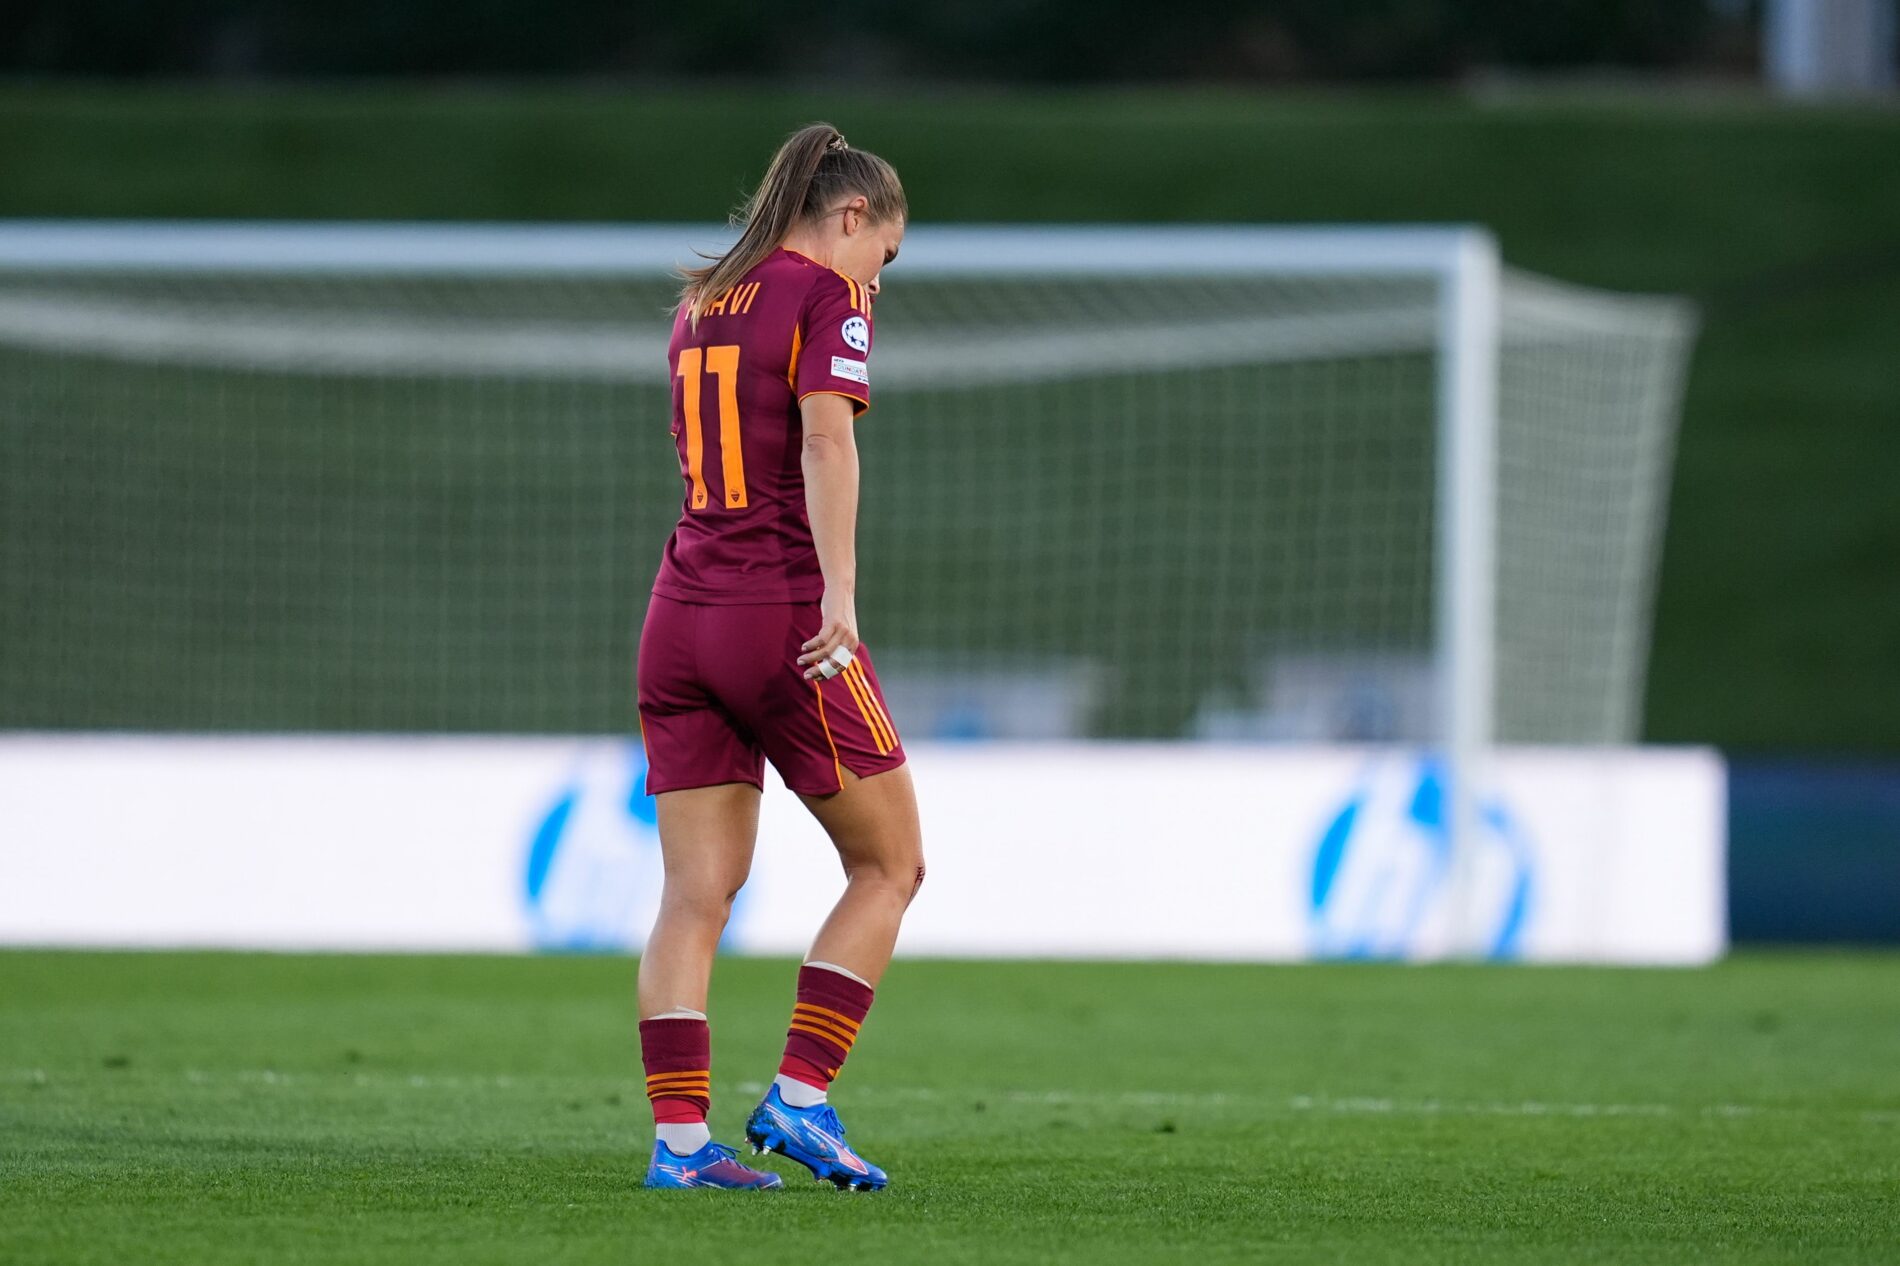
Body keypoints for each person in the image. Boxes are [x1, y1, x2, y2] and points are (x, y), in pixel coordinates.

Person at [634, 123, 923, 1192]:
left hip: (678, 616)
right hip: (780, 619)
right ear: (851, 217)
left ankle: (679, 1149)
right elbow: (823, 438)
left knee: (692, 894)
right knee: (891, 865)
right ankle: (801, 1098)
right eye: (882, 257)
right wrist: (839, 593)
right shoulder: (821, 295)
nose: (875, 287)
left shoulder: (703, 299)